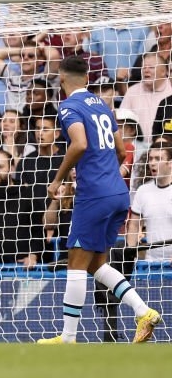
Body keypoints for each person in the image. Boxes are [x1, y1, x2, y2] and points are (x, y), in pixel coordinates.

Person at [38, 55, 161, 344]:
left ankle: (67, 339)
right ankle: (143, 311)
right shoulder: (104, 108)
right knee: (96, 264)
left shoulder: (69, 107)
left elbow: (79, 144)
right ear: (87, 80)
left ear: (62, 79)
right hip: (117, 193)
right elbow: (121, 151)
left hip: (94, 195)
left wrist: (58, 178)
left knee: (76, 264)